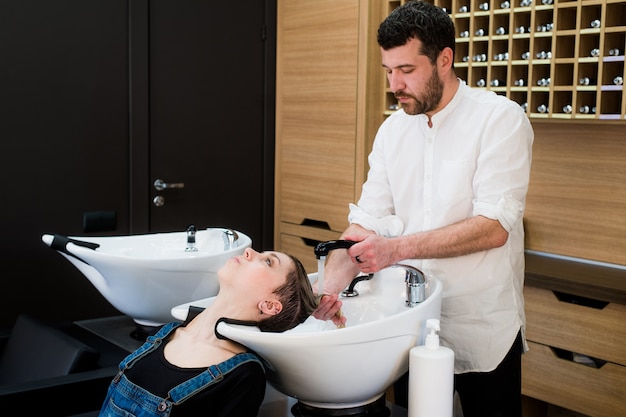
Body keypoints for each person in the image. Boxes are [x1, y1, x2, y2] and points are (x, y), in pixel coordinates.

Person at [313, 2, 534, 416]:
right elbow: (368, 218)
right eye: (388, 71)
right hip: (406, 323)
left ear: (444, 60)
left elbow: (494, 227)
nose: (395, 84)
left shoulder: (499, 119)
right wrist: (331, 285)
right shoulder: (393, 130)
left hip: (480, 324)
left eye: (407, 71)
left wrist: (396, 249)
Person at [98, 247, 317, 417]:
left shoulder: (244, 374)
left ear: (269, 305)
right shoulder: (164, 333)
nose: (249, 251)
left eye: (268, 261)